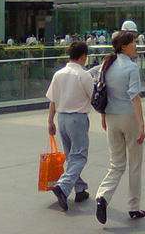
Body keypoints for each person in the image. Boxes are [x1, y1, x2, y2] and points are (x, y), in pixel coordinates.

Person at [95, 24, 145, 224]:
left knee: (116, 164)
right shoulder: (131, 67)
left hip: (111, 117)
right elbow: (135, 97)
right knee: (134, 164)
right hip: (128, 117)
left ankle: (103, 196)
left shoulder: (106, 65)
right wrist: (141, 125)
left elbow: (101, 91)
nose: (136, 46)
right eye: (133, 43)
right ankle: (134, 207)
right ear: (124, 46)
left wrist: (103, 116)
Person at [46, 41, 94, 212]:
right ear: (83, 56)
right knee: (79, 156)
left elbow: (53, 99)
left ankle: (80, 189)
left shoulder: (58, 74)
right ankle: (63, 186)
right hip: (77, 118)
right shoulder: (83, 75)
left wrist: (50, 120)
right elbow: (94, 96)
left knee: (71, 156)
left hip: (62, 118)